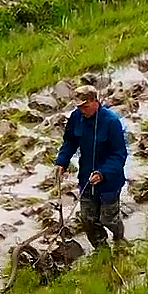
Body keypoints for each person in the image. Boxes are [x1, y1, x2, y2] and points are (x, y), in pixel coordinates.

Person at [55, 84, 128, 248]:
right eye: (79, 107)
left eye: (85, 106)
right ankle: (101, 250)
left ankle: (119, 239)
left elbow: (119, 154)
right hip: (86, 178)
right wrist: (62, 161)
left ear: (95, 101)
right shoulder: (76, 117)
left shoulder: (111, 122)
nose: (82, 110)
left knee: (108, 219)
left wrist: (102, 173)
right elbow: (70, 142)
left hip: (109, 181)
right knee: (88, 219)